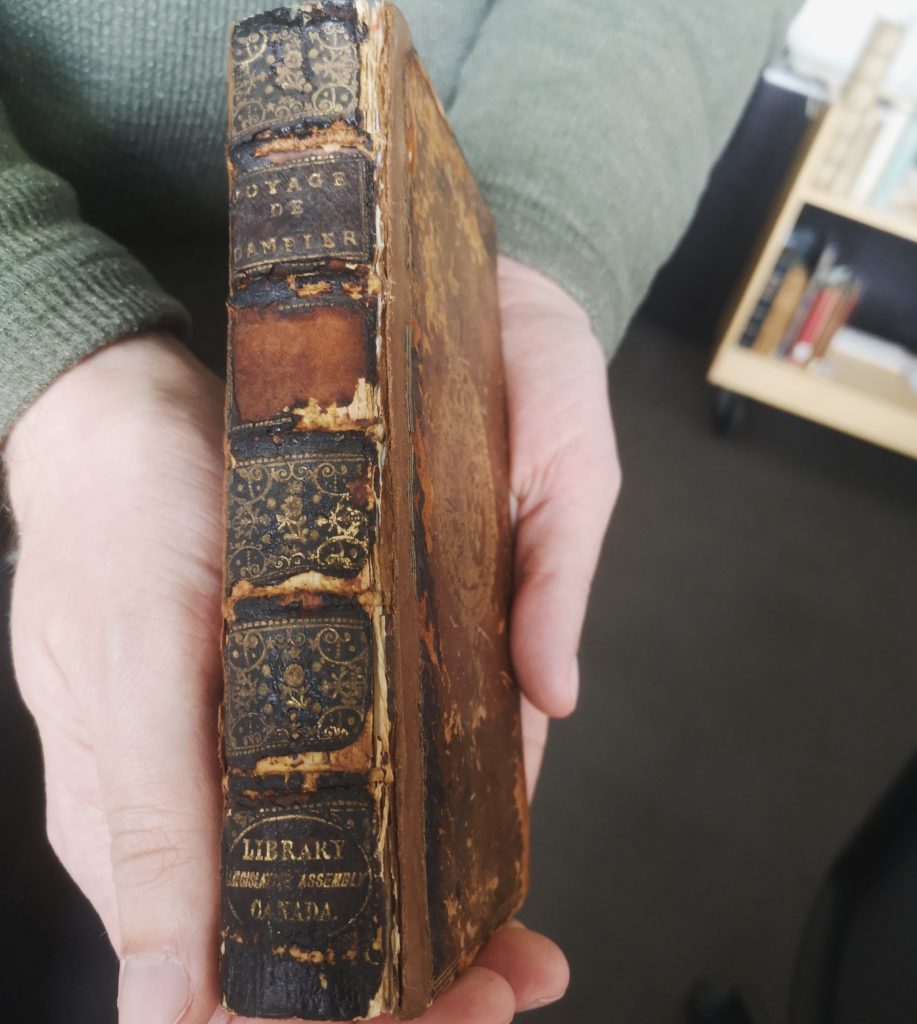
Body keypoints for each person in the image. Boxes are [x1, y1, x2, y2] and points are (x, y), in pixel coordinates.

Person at [0, 1, 801, 1021]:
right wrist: (38, 338)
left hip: (437, 274)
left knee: (172, 914)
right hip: (51, 390)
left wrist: (538, 249)